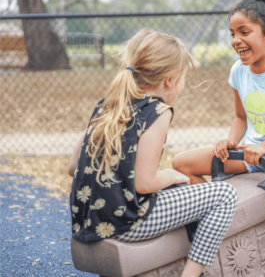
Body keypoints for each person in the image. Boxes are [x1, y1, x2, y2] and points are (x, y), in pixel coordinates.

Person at [172, 0, 265, 276]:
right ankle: (215, 218)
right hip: (249, 154)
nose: (235, 40)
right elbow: (240, 117)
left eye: (244, 32)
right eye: (232, 33)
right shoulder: (238, 71)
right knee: (181, 164)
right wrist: (229, 141)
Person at [67, 29, 238, 277]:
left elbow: (73, 168)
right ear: (170, 80)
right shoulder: (158, 110)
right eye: (183, 78)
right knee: (224, 194)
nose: (182, 85)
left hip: (87, 221)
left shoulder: (109, 105)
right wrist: (170, 175)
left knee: (179, 191)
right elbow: (145, 183)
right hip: (126, 223)